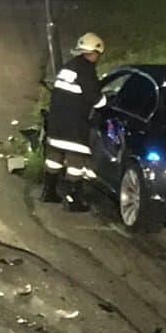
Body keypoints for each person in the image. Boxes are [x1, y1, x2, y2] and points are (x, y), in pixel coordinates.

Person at [42, 32, 105, 209]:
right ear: (93, 52)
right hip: (74, 125)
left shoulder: (68, 67)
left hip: (56, 122)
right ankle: (73, 200)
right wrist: (105, 101)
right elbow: (95, 98)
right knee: (76, 162)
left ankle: (48, 192)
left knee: (54, 157)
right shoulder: (86, 71)